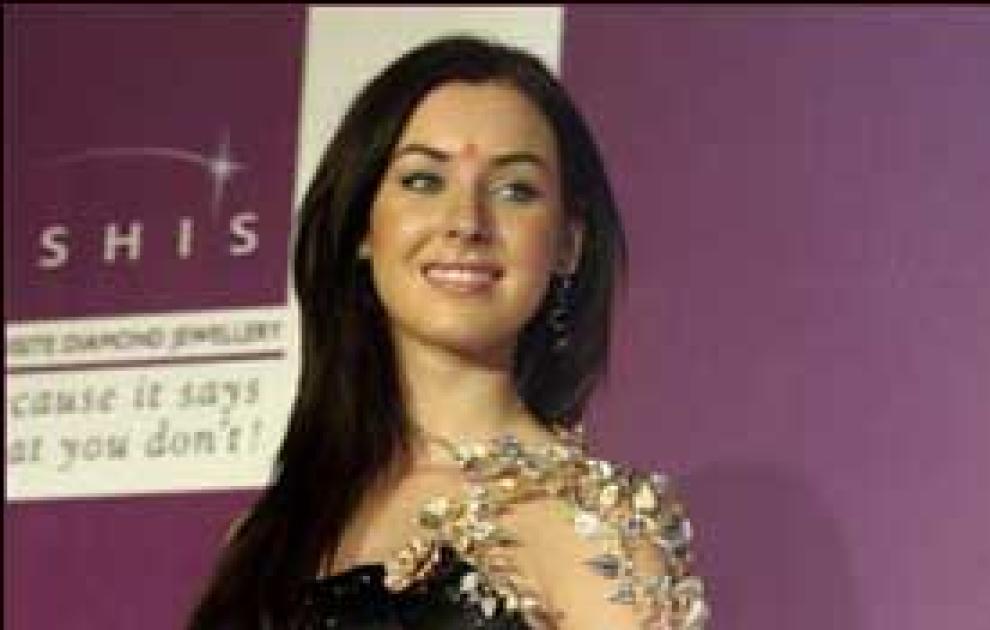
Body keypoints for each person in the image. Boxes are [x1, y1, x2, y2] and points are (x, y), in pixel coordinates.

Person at [188, 35, 708, 629]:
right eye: (423, 181)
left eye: (515, 190)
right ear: (362, 225)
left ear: (568, 244)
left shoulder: (600, 536)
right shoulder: (267, 538)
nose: (466, 222)